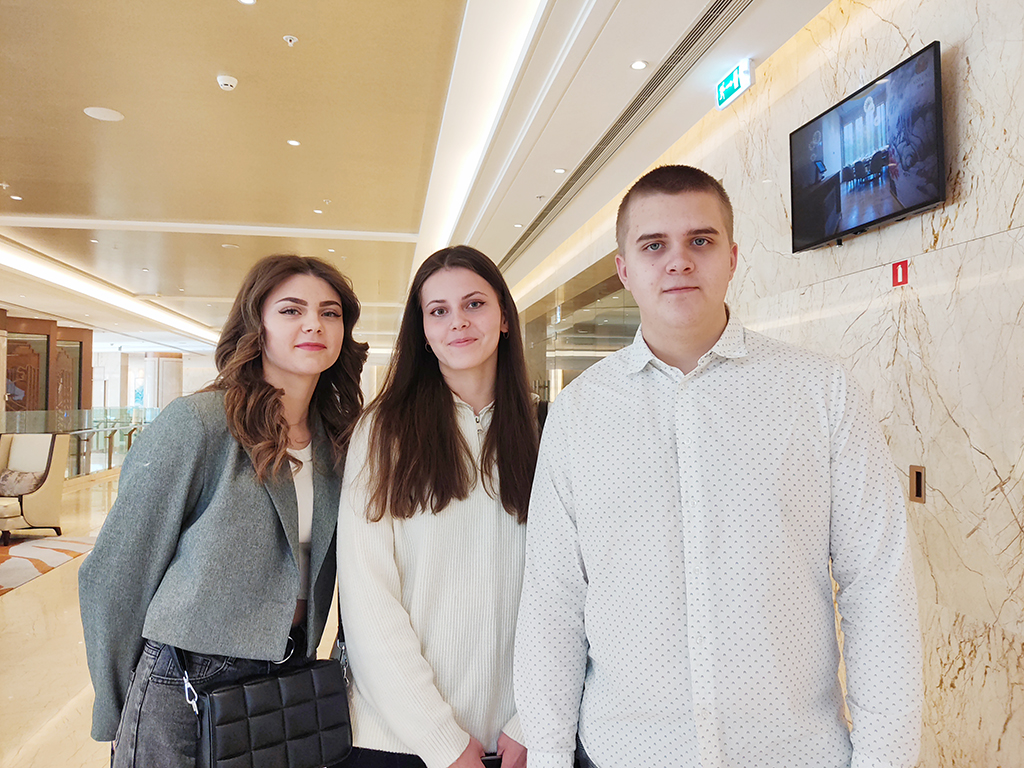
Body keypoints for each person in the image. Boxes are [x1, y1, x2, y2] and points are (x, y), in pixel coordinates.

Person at [514, 165, 922, 768]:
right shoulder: (579, 415)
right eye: (654, 245)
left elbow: (877, 585)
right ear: (624, 269)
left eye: (699, 241)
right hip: (626, 753)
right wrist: (548, 757)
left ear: (731, 258)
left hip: (792, 754)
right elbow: (553, 601)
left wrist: (884, 758)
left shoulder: (820, 392)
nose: (678, 261)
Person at [79, 254, 368, 767]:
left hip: (288, 675)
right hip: (186, 679)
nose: (314, 325)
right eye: (291, 310)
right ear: (257, 324)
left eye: (330, 313)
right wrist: (116, 708)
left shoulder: (339, 442)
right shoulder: (199, 423)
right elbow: (116, 573)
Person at [337, 245, 538, 768]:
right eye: (438, 311)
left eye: (474, 304)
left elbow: (573, 587)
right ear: (423, 332)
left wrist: (532, 718)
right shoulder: (382, 433)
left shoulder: (546, 433)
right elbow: (366, 596)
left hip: (523, 740)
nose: (458, 322)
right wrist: (441, 741)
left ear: (505, 318)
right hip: (402, 743)